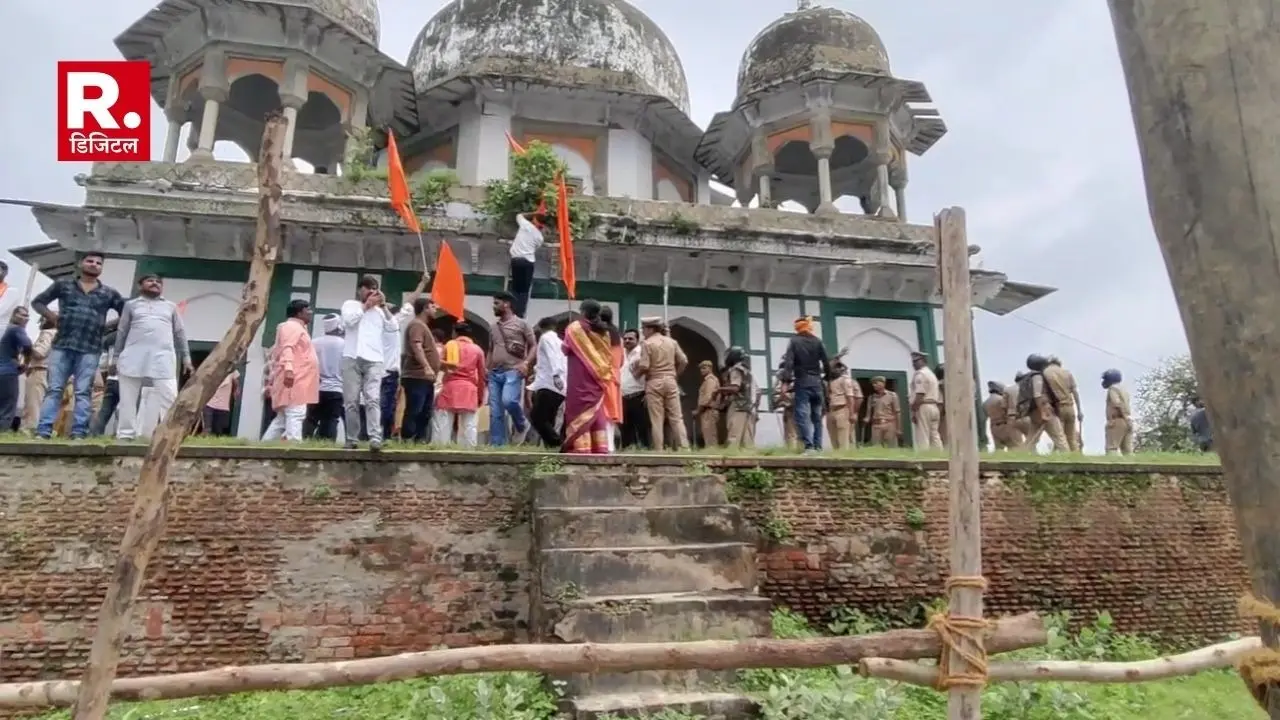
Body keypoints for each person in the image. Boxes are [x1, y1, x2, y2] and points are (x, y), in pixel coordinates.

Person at [30, 252, 125, 439]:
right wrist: (53, 318)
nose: (94, 264)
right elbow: (38, 302)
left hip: (90, 348)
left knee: (83, 391)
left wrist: (106, 326)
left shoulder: (108, 293)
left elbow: (127, 313)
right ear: (81, 264)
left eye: (98, 263)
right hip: (62, 344)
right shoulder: (63, 285)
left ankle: (79, 433)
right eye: (90, 261)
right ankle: (43, 431)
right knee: (55, 389)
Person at [112, 275, 192, 441]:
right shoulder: (131, 305)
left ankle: (171, 434)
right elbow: (122, 331)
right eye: (150, 281)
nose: (155, 283)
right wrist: (115, 357)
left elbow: (180, 333)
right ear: (140, 286)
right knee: (128, 397)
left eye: (158, 282)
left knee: (169, 395)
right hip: (133, 355)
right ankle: (126, 435)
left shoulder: (170, 307)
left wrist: (186, 357)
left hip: (162, 356)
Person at [339, 275, 399, 450]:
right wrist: (366, 306)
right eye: (368, 289)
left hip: (374, 360)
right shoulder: (350, 305)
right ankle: (352, 439)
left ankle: (375, 438)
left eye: (375, 289)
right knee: (351, 401)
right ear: (360, 290)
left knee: (373, 398)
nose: (371, 292)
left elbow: (393, 328)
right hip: (352, 357)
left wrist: (384, 306)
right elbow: (349, 322)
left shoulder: (380, 312)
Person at [561, 300, 616, 454]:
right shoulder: (604, 332)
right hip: (599, 377)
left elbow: (565, 348)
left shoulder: (575, 328)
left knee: (580, 410)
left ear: (583, 311)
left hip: (580, 376)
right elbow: (606, 355)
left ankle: (582, 447)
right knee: (596, 410)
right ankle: (600, 447)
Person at [262, 300, 318, 442]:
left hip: (298, 377)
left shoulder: (297, 327)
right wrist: (288, 369)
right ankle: (293, 447)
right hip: (294, 378)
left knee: (282, 419)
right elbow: (288, 348)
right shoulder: (292, 326)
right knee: (296, 413)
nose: (311, 312)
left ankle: (265, 446)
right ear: (299, 313)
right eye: (307, 309)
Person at [487, 292, 536, 446]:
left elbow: (533, 345)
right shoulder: (493, 327)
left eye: (496, 303)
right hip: (495, 373)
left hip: (513, 370)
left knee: (509, 401)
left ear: (506, 304)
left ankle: (521, 423)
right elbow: (490, 349)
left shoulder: (522, 324)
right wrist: (486, 369)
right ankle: (497, 445)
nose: (493, 306)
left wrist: (526, 363)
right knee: (495, 412)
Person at [633, 316, 688, 450]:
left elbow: (645, 366)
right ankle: (684, 448)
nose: (643, 332)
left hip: (654, 381)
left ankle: (659, 449)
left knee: (657, 418)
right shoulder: (672, 342)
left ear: (650, 329)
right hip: (670, 381)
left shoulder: (647, 344)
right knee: (676, 417)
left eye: (644, 329)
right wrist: (675, 374)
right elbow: (684, 361)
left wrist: (635, 374)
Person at [433, 322, 486, 447]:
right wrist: (480, 396)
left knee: (443, 424)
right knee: (469, 425)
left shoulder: (449, 346)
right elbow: (482, 376)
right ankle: (469, 452)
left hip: (450, 388)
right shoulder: (477, 350)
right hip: (469, 390)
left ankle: (440, 449)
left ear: (455, 333)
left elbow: (439, 365)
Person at [781, 316, 829, 452]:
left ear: (797, 328)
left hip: (802, 381)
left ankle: (809, 446)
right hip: (817, 382)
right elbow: (826, 363)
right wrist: (827, 379)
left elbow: (789, 363)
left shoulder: (794, 341)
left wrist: (785, 382)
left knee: (802, 414)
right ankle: (818, 446)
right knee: (817, 416)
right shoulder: (818, 342)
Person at [400, 297, 441, 442]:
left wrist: (443, 365)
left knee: (425, 411)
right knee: (415, 409)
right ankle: (407, 438)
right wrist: (427, 367)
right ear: (425, 308)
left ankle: (419, 439)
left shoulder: (422, 326)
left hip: (425, 377)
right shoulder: (417, 325)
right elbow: (417, 346)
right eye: (433, 307)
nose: (436, 310)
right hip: (416, 375)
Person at [1017, 354, 1068, 452]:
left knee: (1031, 438)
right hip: (1043, 408)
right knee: (1059, 436)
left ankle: (1024, 456)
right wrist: (1043, 412)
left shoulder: (1026, 378)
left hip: (1033, 411)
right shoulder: (1037, 376)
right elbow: (1037, 395)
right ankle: (1067, 457)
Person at [305, 314, 345, 440]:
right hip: (336, 389)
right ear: (338, 326)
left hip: (316, 388)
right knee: (331, 420)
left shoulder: (314, 342)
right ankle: (326, 445)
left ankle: (304, 442)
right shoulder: (344, 344)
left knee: (311, 418)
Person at [528, 316, 566, 447]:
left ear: (540, 327)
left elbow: (552, 356)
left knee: (537, 417)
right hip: (559, 387)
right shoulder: (560, 342)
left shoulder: (546, 338)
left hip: (549, 384)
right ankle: (550, 449)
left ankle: (557, 444)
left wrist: (556, 375)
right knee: (549, 419)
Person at [0, 307, 32, 430]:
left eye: (27, 316)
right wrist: (26, 363)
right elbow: (28, 346)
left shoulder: (5, 329)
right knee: (7, 406)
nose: (25, 318)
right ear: (14, 315)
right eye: (22, 315)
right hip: (7, 372)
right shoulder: (17, 329)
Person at [508, 212, 544, 318]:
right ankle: (520, 313)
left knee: (515, 287)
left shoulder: (525, 225)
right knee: (524, 290)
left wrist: (534, 213)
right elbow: (536, 247)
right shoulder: (540, 237)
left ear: (534, 220)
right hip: (528, 262)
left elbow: (519, 215)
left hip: (516, 260)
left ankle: (513, 310)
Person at [22, 318, 55, 432]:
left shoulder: (47, 333)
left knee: (33, 405)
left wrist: (26, 345)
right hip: (49, 372)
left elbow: (40, 353)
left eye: (43, 320)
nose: (41, 323)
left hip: (39, 371)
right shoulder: (60, 335)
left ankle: (30, 430)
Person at [618, 328, 650, 449]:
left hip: (638, 395)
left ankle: (645, 449)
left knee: (641, 426)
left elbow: (648, 372)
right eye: (625, 338)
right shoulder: (621, 353)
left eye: (630, 338)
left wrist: (647, 393)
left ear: (637, 340)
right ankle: (627, 449)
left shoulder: (642, 352)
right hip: (622, 395)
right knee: (625, 426)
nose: (627, 340)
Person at [1044, 355, 1083, 452]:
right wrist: (1079, 410)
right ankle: (1075, 458)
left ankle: (1059, 457)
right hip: (1070, 407)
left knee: (1059, 437)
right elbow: (1075, 392)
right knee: (1071, 438)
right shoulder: (1067, 373)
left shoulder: (1045, 373)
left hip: (1056, 408)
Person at [719, 346, 755, 449]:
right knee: (747, 436)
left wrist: (719, 389)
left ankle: (732, 455)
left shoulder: (735, 370)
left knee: (734, 432)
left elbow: (735, 388)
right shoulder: (746, 370)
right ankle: (749, 457)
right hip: (747, 405)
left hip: (737, 405)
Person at [599, 306, 624, 452]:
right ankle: (610, 445)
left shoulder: (600, 334)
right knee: (611, 413)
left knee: (600, 411)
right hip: (614, 377)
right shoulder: (617, 337)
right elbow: (621, 361)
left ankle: (600, 445)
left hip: (600, 376)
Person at [909, 351, 942, 450]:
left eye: (916, 362)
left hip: (923, 406)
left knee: (922, 435)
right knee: (934, 435)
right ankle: (939, 457)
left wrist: (914, 410)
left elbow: (920, 394)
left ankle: (924, 457)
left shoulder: (921, 375)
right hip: (933, 406)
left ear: (922, 361)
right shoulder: (931, 374)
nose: (914, 364)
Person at [825, 361, 861, 449]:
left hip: (842, 409)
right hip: (830, 410)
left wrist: (852, 413)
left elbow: (850, 397)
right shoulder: (829, 382)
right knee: (834, 440)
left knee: (843, 440)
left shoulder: (845, 380)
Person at [1103, 369, 1134, 455]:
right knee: (1128, 451)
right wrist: (1127, 419)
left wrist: (1123, 416)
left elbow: (1116, 403)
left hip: (1117, 420)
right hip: (1128, 419)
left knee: (1112, 448)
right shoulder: (1124, 389)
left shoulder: (1113, 389)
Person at [203, 368, 239, 436]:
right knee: (207, 428)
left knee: (218, 430)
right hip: (209, 403)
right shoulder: (212, 366)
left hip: (223, 405)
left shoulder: (232, 368)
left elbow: (236, 381)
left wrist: (235, 390)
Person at [984, 381, 1019, 450]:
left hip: (994, 428)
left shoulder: (985, 403)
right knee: (1015, 447)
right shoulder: (1001, 399)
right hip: (1006, 425)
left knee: (998, 449)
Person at [867, 376, 901, 447]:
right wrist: (866, 419)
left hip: (889, 424)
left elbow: (897, 412)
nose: (874, 385)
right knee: (876, 448)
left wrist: (898, 428)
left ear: (883, 383)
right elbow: (868, 413)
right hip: (876, 425)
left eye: (876, 383)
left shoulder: (892, 395)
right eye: (873, 383)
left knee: (892, 448)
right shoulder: (872, 397)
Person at [695, 360, 721, 448]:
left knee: (710, 435)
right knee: (707, 434)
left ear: (710, 368)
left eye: (704, 368)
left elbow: (707, 398)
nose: (702, 370)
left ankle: (712, 455)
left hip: (709, 410)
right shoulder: (707, 381)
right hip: (706, 411)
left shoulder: (710, 380)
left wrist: (698, 411)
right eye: (701, 369)